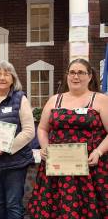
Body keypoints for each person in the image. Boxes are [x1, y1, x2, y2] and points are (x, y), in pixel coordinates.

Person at [28, 58, 108, 218]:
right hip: (58, 168)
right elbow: (42, 129)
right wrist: (44, 146)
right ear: (67, 75)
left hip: (91, 169)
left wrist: (98, 152)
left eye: (80, 72)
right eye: (72, 72)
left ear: (90, 76)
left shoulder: (100, 100)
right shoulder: (54, 100)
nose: (75, 76)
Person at [0, 60, 35, 219]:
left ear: (13, 79)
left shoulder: (20, 98)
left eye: (6, 74)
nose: (2, 77)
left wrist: (6, 147)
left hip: (14, 161)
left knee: (13, 203)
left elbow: (29, 131)